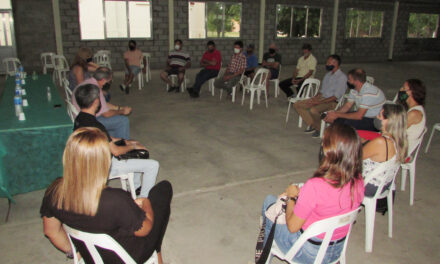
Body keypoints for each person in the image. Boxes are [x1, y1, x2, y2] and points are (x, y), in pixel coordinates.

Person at [40, 127, 172, 264]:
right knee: (163, 191)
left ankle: (156, 251)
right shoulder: (115, 200)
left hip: (91, 255)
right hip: (128, 255)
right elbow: (144, 230)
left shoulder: (54, 193)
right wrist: (145, 203)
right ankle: (156, 251)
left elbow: (51, 231)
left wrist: (75, 252)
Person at [261, 123, 364, 263]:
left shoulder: (315, 186)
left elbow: (292, 227)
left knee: (269, 202)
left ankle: (262, 259)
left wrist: (292, 197)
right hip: (336, 251)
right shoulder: (358, 181)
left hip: (308, 253)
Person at [73, 83, 159, 198]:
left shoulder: (80, 119)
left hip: (91, 161)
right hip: (105, 165)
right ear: (95, 102)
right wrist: (133, 147)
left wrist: (128, 141)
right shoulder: (96, 126)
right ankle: (143, 199)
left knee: (134, 147)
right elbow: (116, 151)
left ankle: (135, 187)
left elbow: (107, 138)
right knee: (153, 165)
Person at [362, 104, 407, 211]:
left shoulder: (381, 142)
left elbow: (355, 157)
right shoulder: (400, 140)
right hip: (384, 183)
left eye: (380, 116)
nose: (377, 117)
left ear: (388, 121)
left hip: (369, 186)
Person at [294, 54, 347, 138]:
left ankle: (319, 129)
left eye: (328, 62)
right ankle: (313, 125)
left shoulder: (342, 77)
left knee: (313, 110)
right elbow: (322, 91)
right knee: (297, 104)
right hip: (322, 98)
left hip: (332, 102)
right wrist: (314, 98)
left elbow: (335, 97)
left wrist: (319, 102)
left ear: (335, 63)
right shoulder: (328, 75)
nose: (327, 64)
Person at [72, 67, 132, 139]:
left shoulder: (88, 82)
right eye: (108, 82)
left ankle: (111, 141)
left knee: (115, 127)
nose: (107, 84)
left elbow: (104, 105)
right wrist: (122, 111)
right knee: (123, 121)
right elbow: (106, 114)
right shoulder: (95, 89)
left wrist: (118, 108)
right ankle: (122, 145)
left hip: (80, 118)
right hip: (87, 122)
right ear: (103, 80)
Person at [399, 79, 426, 154]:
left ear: (412, 92)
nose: (401, 90)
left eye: (404, 88)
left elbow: (395, 131)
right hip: (400, 143)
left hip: (401, 149)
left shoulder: (414, 113)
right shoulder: (413, 109)